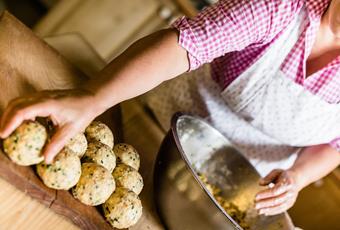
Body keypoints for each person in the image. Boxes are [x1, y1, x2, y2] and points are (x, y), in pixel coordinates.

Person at [0, 0, 339, 217]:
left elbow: (334, 143)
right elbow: (186, 45)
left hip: (224, 198)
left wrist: (297, 178)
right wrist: (93, 97)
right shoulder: (282, 7)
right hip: (150, 128)